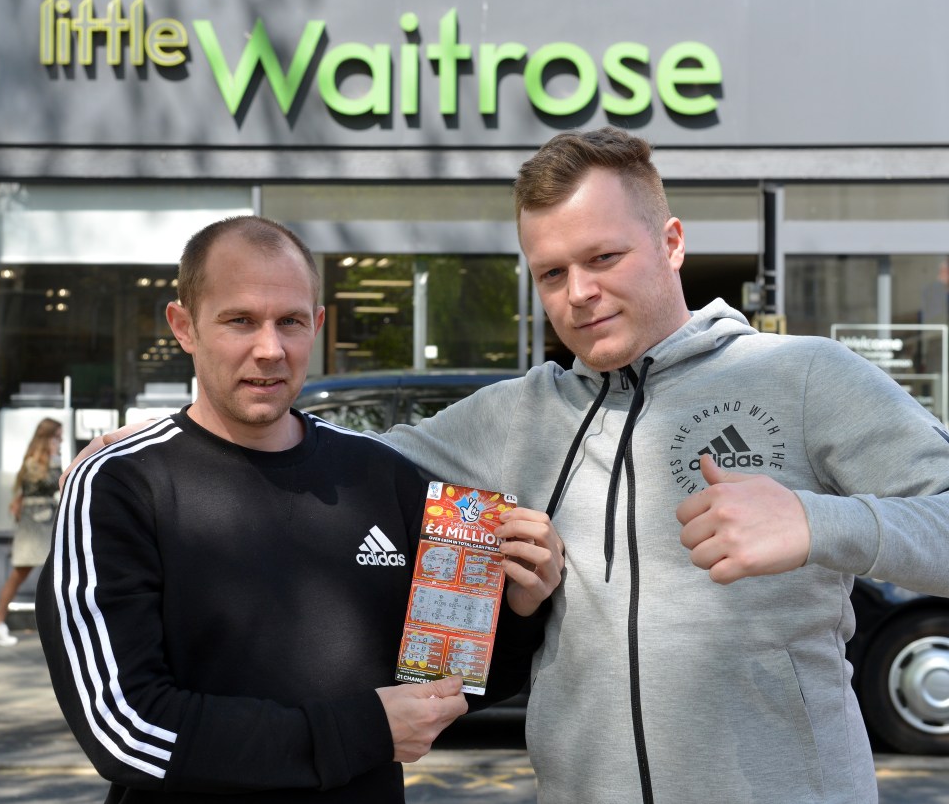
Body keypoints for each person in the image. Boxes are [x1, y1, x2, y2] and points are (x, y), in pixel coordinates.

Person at [66, 128, 949, 803]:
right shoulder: (516, 414)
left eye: (605, 257)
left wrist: (820, 523)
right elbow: (303, 461)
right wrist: (162, 438)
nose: (579, 293)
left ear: (672, 242)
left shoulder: (801, 377)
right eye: (552, 272)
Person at [37, 215, 560, 803]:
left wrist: (518, 610)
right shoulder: (121, 483)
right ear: (183, 326)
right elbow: (124, 727)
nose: (270, 348)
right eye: (239, 321)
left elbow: (450, 683)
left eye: (289, 321)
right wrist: (360, 730)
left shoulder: (379, 474)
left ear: (316, 324)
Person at [0, 417, 62, 647]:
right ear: (48, 437)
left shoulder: (44, 459)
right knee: (19, 573)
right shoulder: (35, 460)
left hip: (46, 522)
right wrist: (55, 458)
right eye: (57, 437)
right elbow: (51, 483)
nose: (60, 441)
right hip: (33, 526)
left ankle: (62, 626)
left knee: (57, 573)